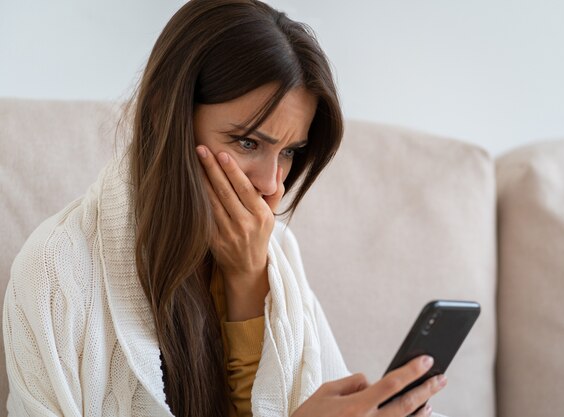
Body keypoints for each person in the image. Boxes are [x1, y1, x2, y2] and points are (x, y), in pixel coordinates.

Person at [3, 1, 447, 416]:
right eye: (248, 142)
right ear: (165, 115)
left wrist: (249, 277)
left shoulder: (278, 258)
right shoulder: (55, 270)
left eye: (290, 152)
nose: (272, 183)